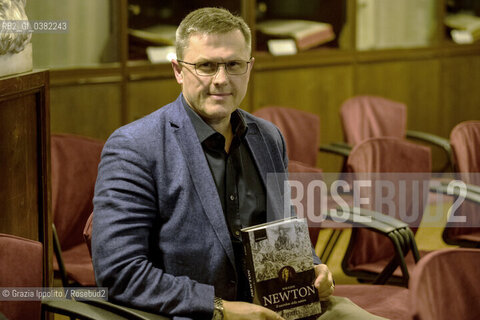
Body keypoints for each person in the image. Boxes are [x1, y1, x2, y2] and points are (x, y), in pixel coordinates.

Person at [92, 7, 386, 320]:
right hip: (197, 313)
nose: (222, 79)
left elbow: (283, 233)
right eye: (206, 66)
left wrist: (312, 267)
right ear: (178, 70)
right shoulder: (134, 147)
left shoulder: (269, 137)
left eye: (234, 65)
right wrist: (221, 309)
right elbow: (119, 274)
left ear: (249, 67)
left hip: (284, 307)